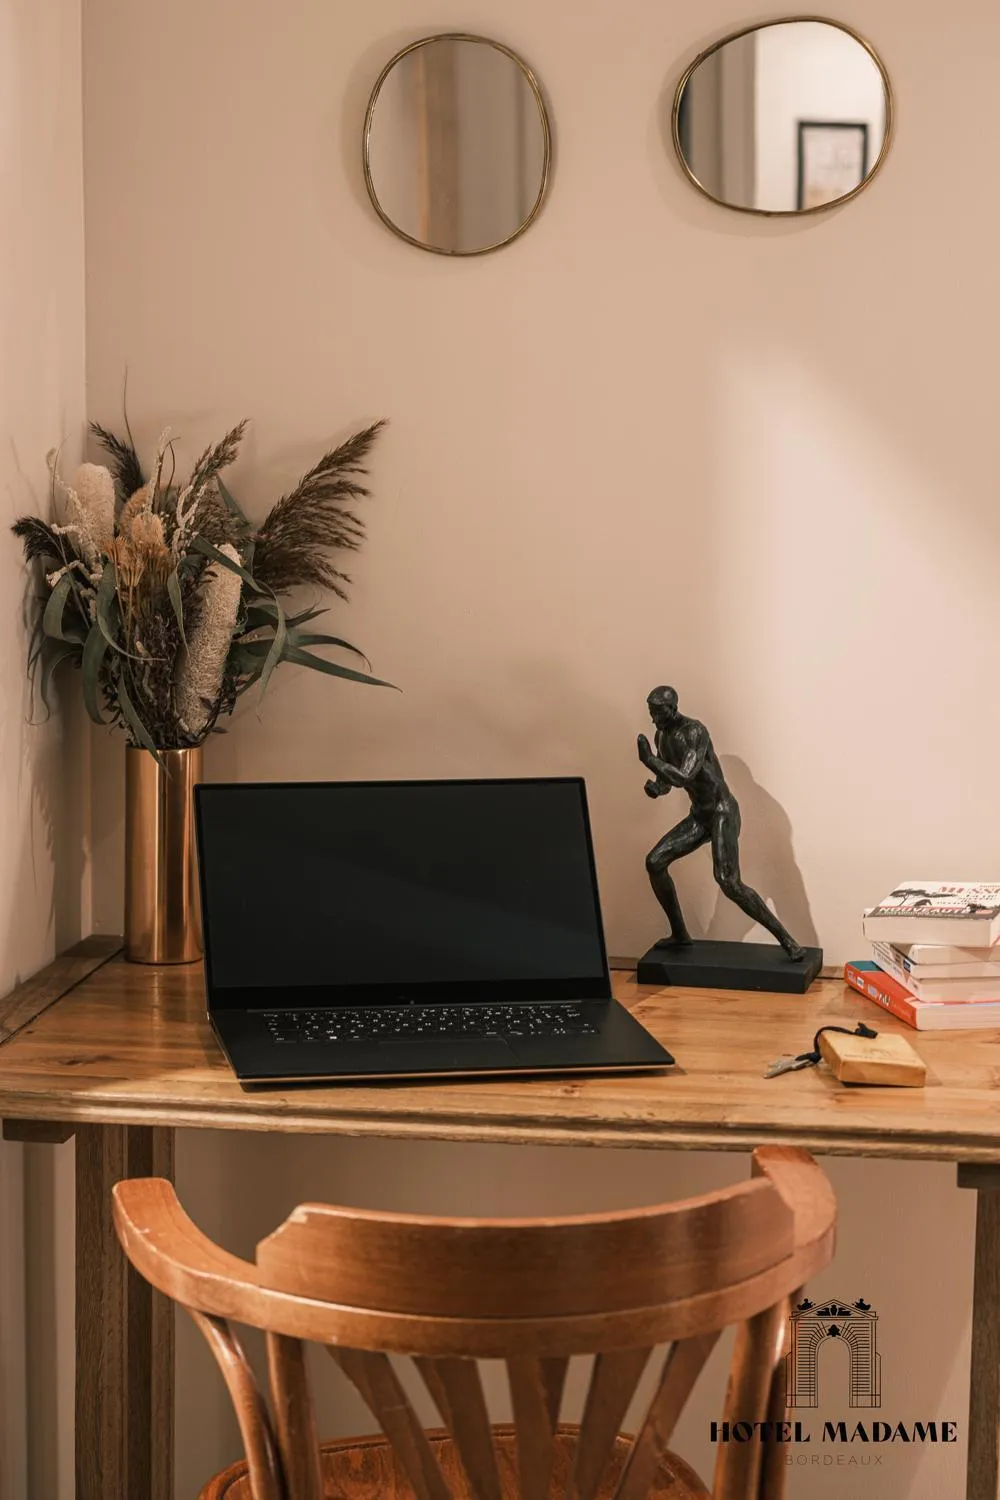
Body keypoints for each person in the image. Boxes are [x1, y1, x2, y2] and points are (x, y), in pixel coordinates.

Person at [638, 685, 805, 961]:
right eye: (651, 713)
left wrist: (649, 761)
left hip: (722, 812)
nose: (653, 720)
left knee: (728, 882)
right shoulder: (661, 735)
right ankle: (680, 934)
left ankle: (788, 942)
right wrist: (657, 788)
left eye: (657, 713)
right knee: (654, 862)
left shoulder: (695, 731)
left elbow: (684, 776)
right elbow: (669, 782)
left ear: (672, 708)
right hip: (700, 815)